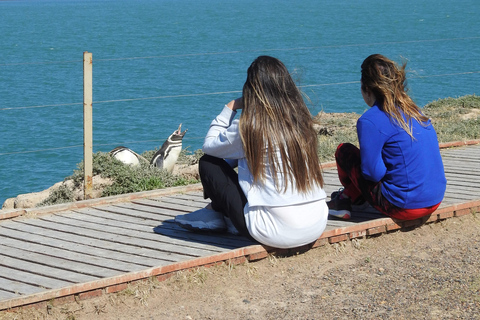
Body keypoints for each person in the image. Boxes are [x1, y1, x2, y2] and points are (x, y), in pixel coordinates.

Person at [175, 55, 328, 249]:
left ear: (252, 89)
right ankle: (214, 211)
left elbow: (209, 146)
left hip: (274, 232)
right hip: (315, 223)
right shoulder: (301, 122)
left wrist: (230, 107)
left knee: (209, 162)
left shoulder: (250, 127)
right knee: (241, 160)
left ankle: (216, 213)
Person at [328, 54, 447, 221]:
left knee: (344, 151)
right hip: (434, 199)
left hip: (404, 206)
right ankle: (348, 196)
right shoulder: (415, 111)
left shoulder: (370, 120)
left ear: (366, 89)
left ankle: (346, 198)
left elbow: (372, 174)